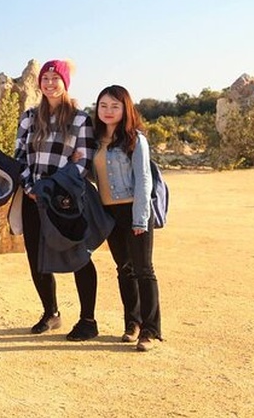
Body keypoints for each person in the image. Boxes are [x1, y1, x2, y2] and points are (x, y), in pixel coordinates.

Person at [14, 59, 99, 341]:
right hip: (32, 197)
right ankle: (50, 313)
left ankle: (88, 319)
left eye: (55, 78)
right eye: (45, 78)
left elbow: (82, 163)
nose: (50, 84)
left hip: (65, 199)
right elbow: (20, 157)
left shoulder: (79, 119)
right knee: (37, 258)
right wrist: (29, 186)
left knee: (78, 254)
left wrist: (49, 186)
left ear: (65, 83)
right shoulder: (29, 117)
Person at [91, 85, 163, 351]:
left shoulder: (135, 139)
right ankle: (132, 324)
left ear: (125, 109)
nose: (108, 111)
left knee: (144, 269)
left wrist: (140, 219)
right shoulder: (95, 141)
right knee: (124, 269)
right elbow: (97, 176)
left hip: (134, 209)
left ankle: (151, 330)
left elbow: (144, 180)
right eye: (103, 106)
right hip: (108, 213)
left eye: (115, 106)